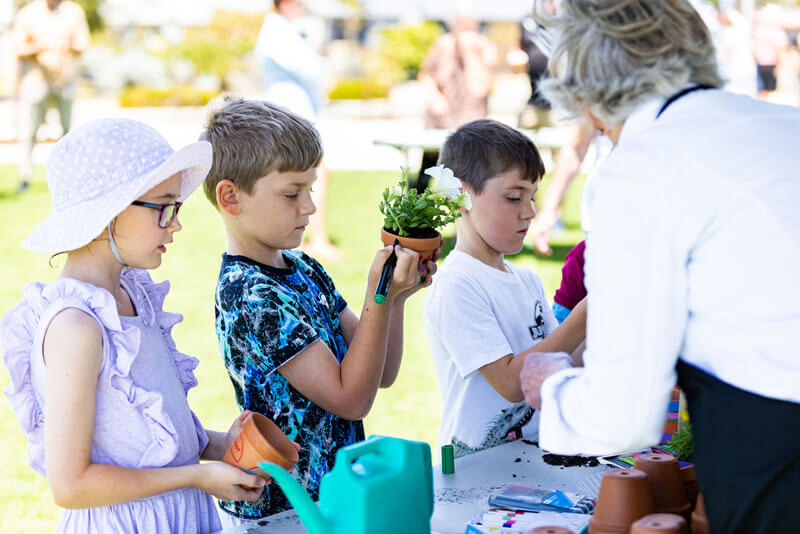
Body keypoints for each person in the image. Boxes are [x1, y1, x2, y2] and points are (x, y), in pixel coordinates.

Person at [519, 2, 800, 532]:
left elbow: (622, 414)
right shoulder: (783, 123)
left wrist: (553, 385)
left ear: (591, 94)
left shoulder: (643, 167)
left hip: (778, 460)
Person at [0, 119, 267, 533]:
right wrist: (196, 476)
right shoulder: (76, 327)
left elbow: (141, 437)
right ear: (108, 212)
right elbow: (71, 485)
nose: (175, 223)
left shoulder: (131, 294)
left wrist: (220, 445)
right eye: (164, 206)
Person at [199, 97, 436, 524]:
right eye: (292, 193)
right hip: (281, 510)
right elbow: (351, 399)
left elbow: (380, 373)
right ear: (231, 197)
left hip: (329, 501)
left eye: (310, 189)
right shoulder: (252, 296)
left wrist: (395, 297)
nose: (309, 206)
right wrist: (377, 295)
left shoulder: (303, 267)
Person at [423, 119, 586, 458]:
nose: (530, 212)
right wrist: (585, 314)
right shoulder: (457, 285)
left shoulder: (527, 280)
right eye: (514, 198)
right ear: (461, 199)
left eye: (533, 197)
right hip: (479, 468)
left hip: (535, 457)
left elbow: (561, 361)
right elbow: (511, 384)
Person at [254, 0, 339, 260]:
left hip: (299, 118)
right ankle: (310, 240)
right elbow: (314, 70)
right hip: (292, 119)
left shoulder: (285, 30)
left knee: (312, 176)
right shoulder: (277, 32)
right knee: (303, 177)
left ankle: (309, 238)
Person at [10, 0, 89, 195]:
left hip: (65, 80)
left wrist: (67, 44)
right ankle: (25, 177)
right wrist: (41, 46)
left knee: (68, 132)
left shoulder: (73, 11)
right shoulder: (28, 13)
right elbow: (18, 48)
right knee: (29, 130)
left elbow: (83, 43)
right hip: (37, 80)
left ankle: (69, 178)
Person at [416, 9, 497, 189]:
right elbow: (425, 75)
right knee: (426, 174)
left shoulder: (485, 48)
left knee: (468, 178)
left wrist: (469, 54)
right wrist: (435, 98)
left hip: (470, 125)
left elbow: (479, 88)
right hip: (439, 122)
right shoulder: (441, 44)